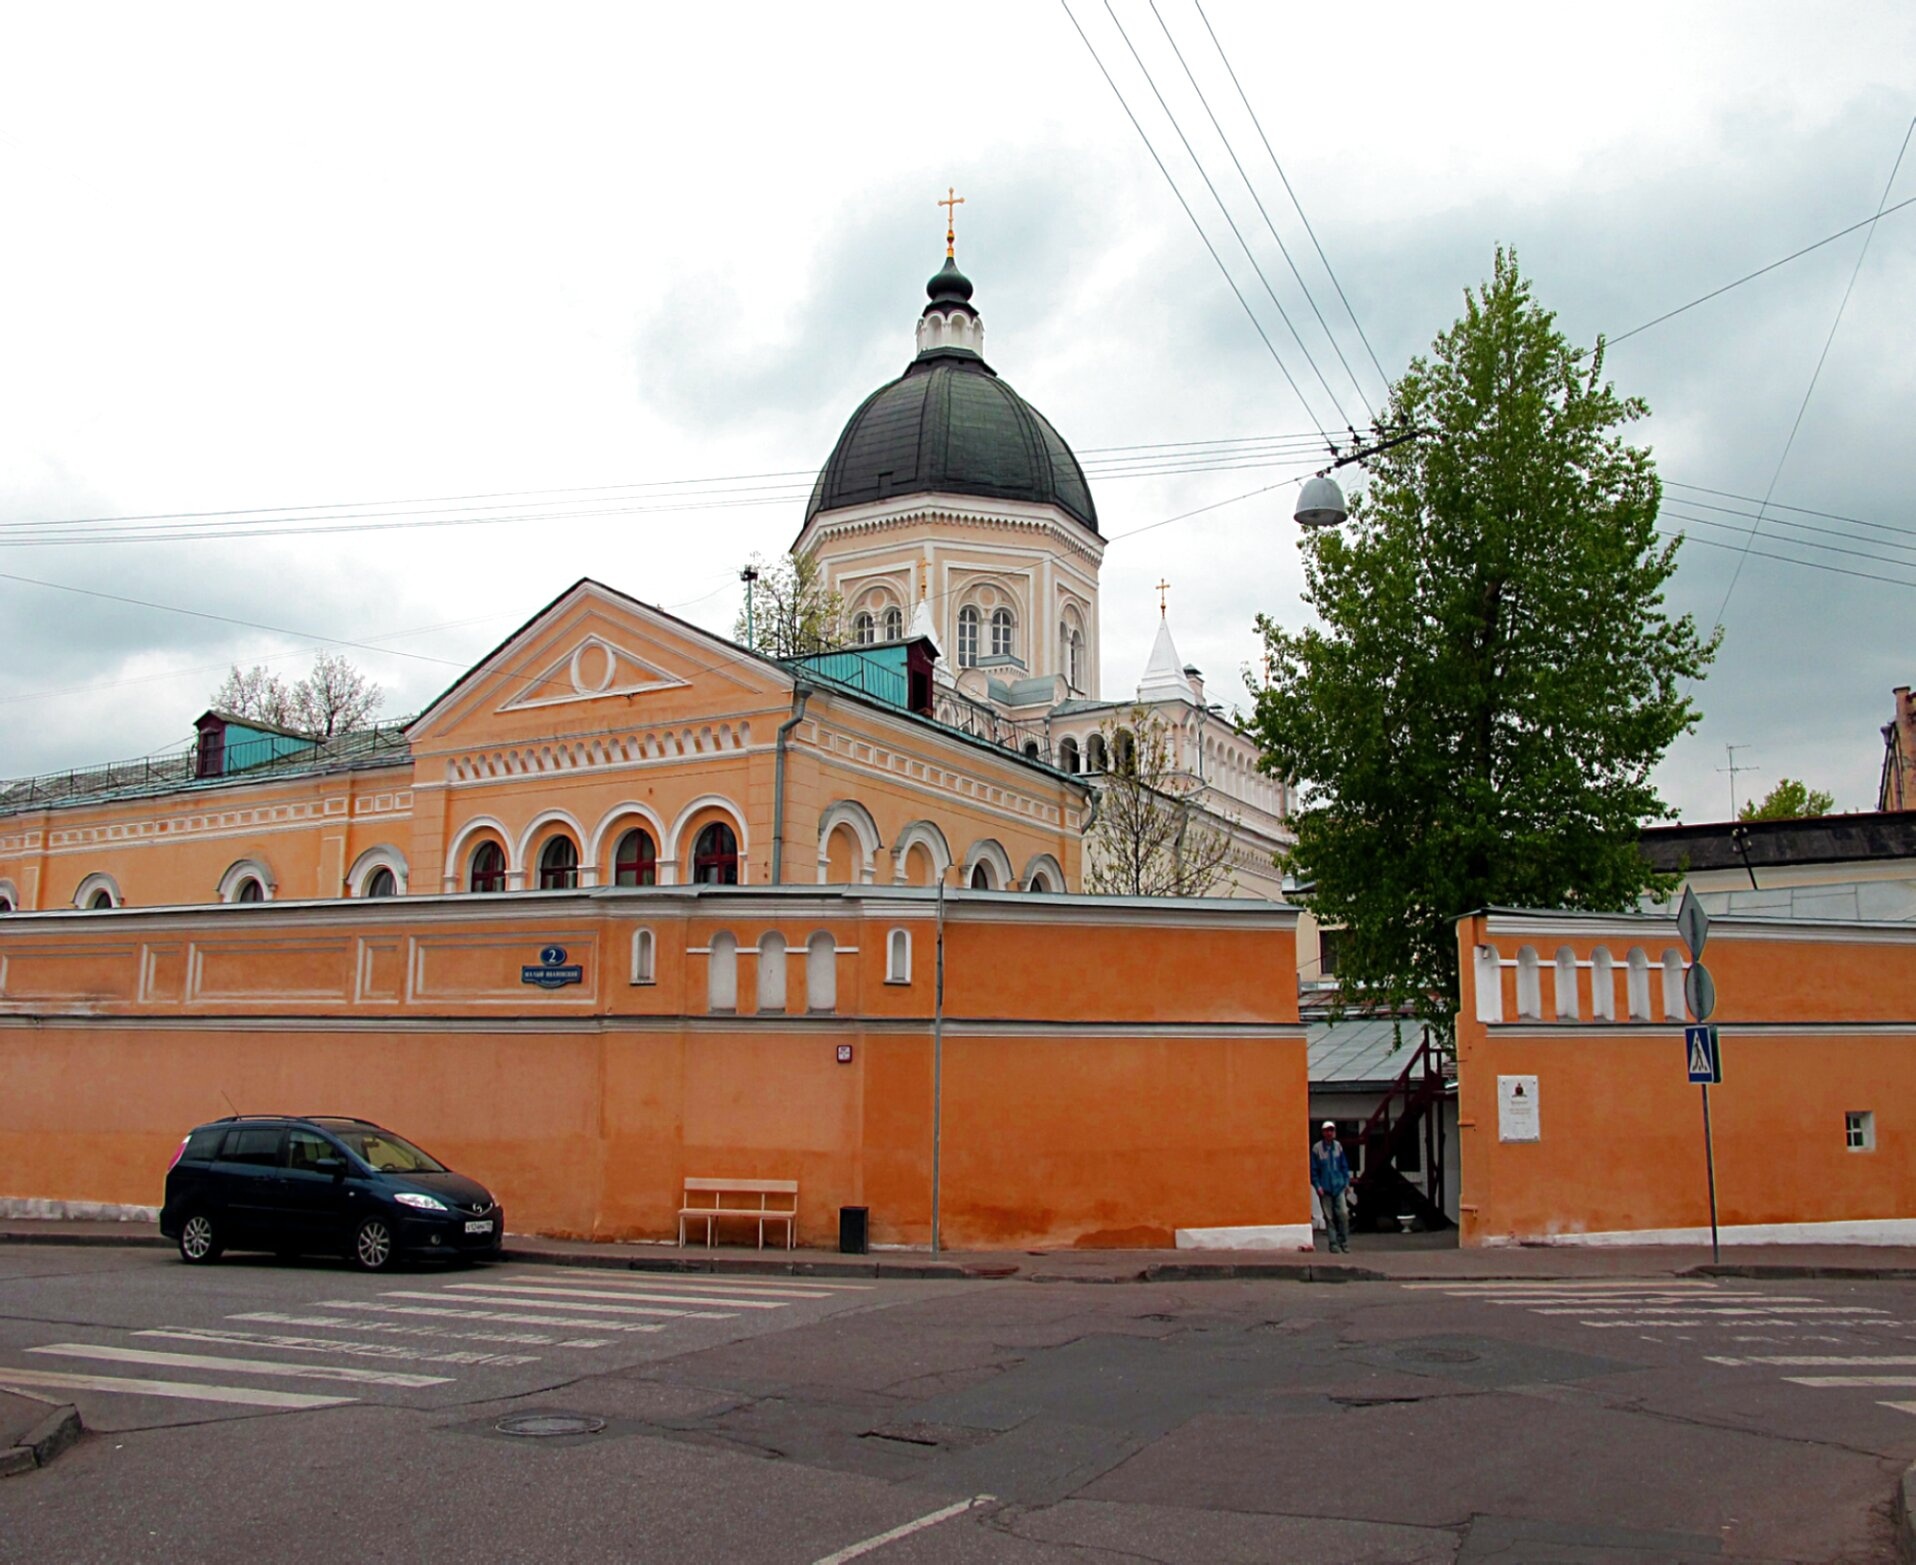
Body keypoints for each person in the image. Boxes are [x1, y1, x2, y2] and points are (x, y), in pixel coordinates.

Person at [1311, 1120, 1353, 1254]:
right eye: (1327, 1130)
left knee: (1343, 1215)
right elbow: (1314, 1170)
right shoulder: (1317, 1149)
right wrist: (1318, 1186)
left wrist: (1346, 1183)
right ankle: (1333, 1244)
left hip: (1339, 1186)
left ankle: (1344, 1242)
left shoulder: (1338, 1147)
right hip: (1325, 1188)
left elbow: (1344, 1166)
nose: (1329, 1133)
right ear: (1323, 1132)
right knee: (1329, 1218)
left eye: (1331, 1130)